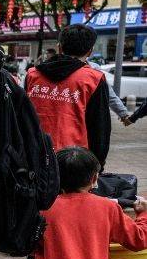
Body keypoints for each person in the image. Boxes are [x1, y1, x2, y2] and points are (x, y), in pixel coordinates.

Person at [25, 24, 111, 166]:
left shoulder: (33, 75)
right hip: (75, 161)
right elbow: (100, 127)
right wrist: (98, 164)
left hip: (33, 155)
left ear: (59, 47)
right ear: (90, 51)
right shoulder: (93, 79)